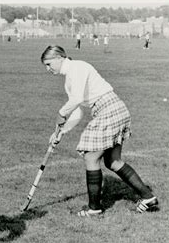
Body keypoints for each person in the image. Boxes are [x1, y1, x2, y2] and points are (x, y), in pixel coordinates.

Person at [40, 45, 158, 217]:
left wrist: (60, 113)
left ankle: (94, 208)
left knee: (91, 156)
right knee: (113, 161)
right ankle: (148, 197)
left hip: (108, 110)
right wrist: (61, 131)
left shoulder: (77, 67)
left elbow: (76, 100)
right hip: (115, 108)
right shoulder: (69, 79)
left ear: (59, 57)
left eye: (49, 64)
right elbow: (78, 109)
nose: (47, 69)